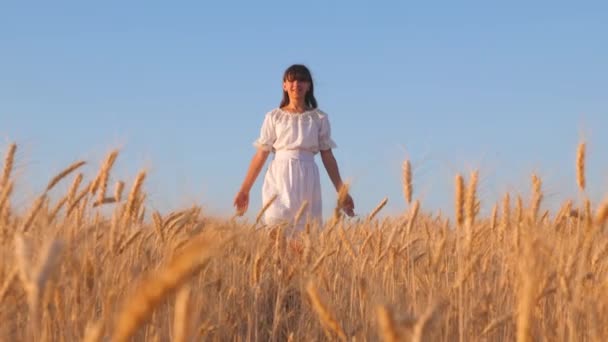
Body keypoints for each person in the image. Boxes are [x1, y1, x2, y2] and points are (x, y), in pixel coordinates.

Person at [233, 64, 354, 229]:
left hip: (307, 176)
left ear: (309, 86)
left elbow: (328, 157)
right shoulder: (274, 117)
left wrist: (342, 191)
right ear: (284, 85)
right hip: (279, 176)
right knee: (276, 227)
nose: (296, 84)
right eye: (292, 80)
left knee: (304, 234)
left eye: (302, 80)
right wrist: (244, 189)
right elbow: (261, 155)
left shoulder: (319, 118)